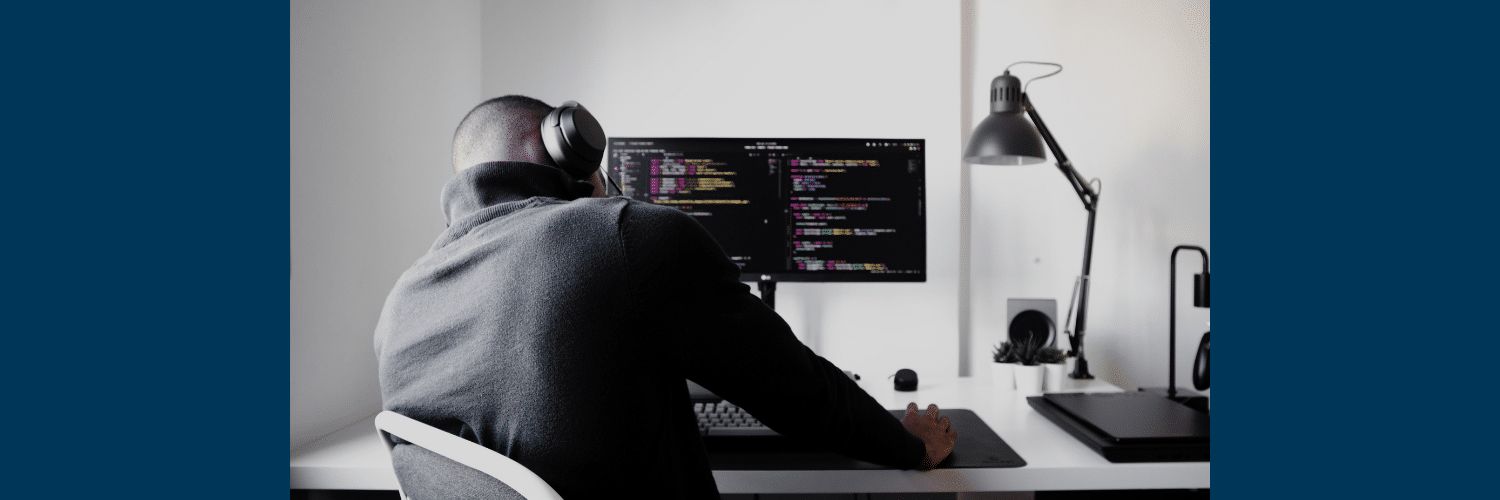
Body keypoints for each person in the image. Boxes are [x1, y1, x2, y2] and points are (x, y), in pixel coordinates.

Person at [374, 95, 956, 499]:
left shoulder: (399, 305)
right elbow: (796, 393)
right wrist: (908, 443)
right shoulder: (622, 233)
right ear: (570, 153)